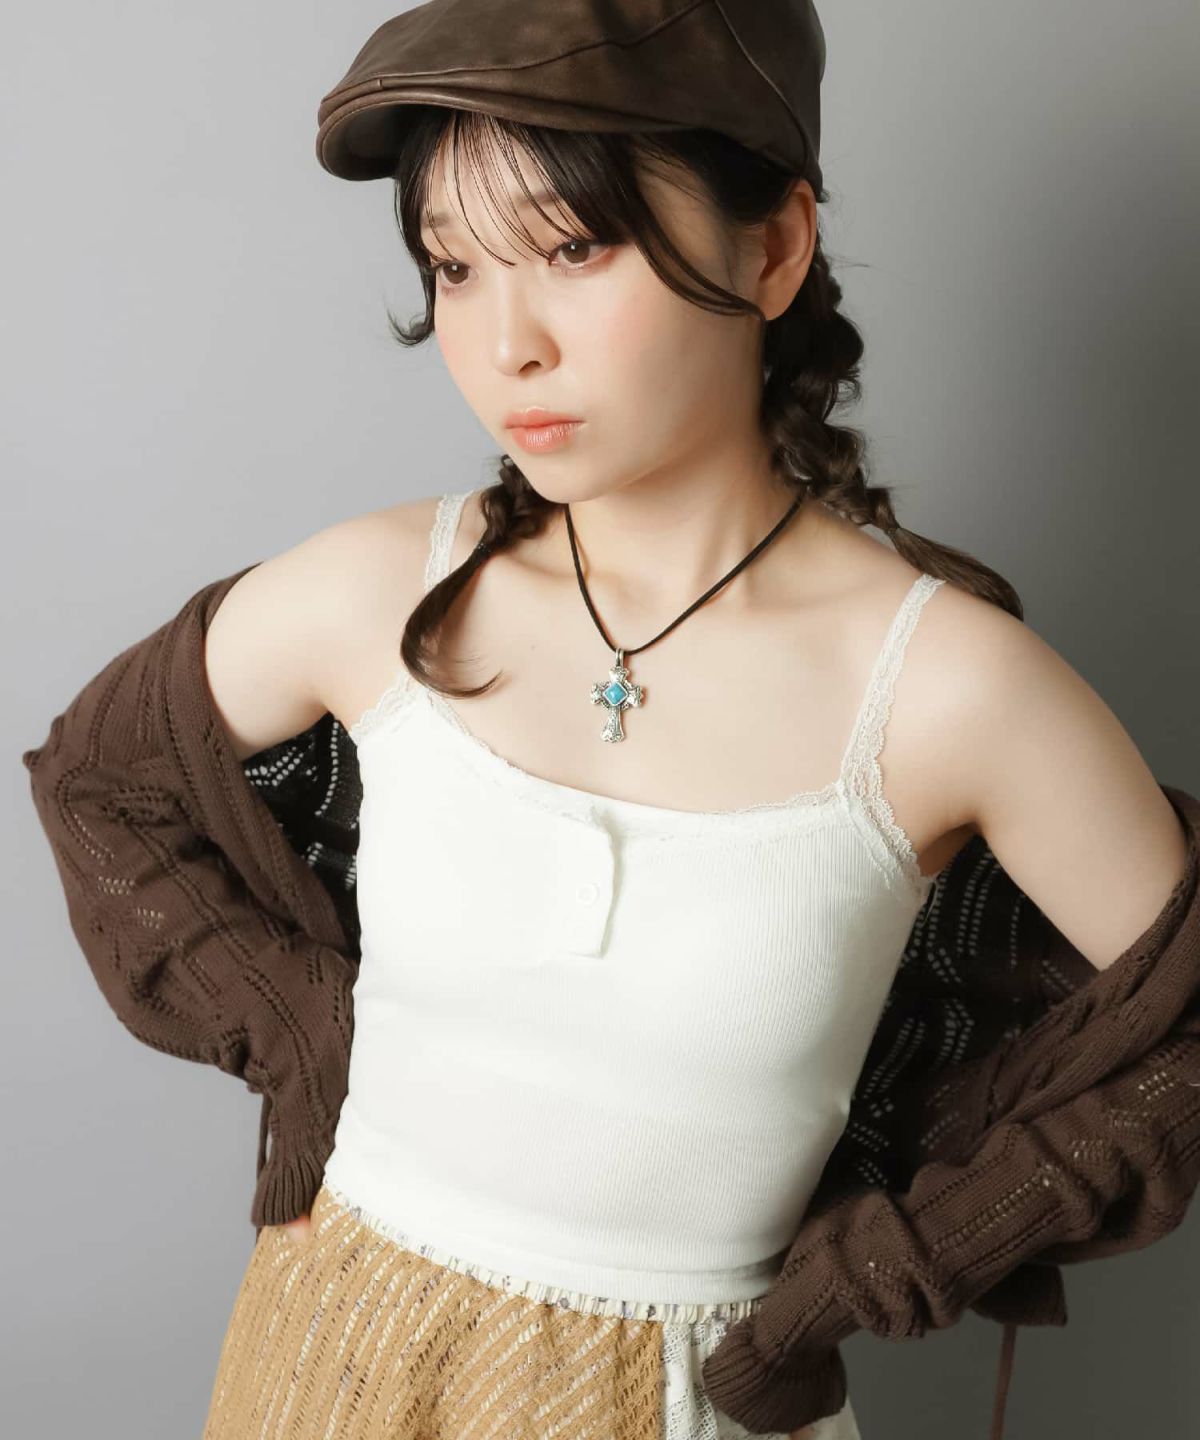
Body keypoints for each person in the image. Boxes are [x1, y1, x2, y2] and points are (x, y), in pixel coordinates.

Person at [23, 5, 1196, 1439]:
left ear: (773, 248)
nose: (504, 345)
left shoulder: (946, 689)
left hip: (683, 1398)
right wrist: (309, 1038)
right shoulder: (379, 593)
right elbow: (102, 778)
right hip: (326, 1354)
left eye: (576, 249)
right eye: (456, 267)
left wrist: (889, 1267)